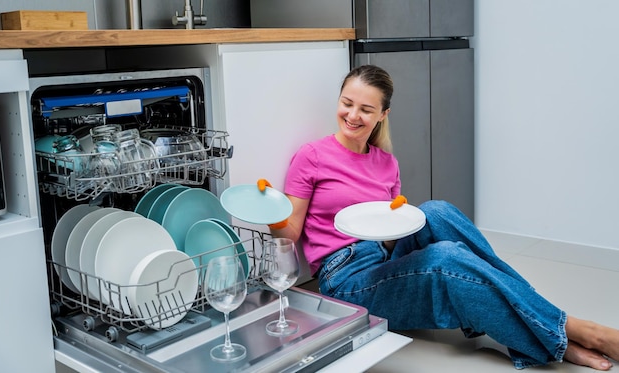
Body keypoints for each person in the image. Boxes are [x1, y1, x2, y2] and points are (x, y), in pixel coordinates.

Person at [265, 64, 619, 370]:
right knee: (445, 258)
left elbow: (391, 233)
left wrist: (397, 229)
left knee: (435, 211)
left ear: (382, 115)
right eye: (347, 103)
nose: (353, 116)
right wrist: (266, 210)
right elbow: (291, 232)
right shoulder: (312, 156)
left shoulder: (386, 162)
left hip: (384, 257)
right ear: (338, 100)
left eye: (366, 109)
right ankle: (572, 329)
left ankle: (546, 325)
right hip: (346, 277)